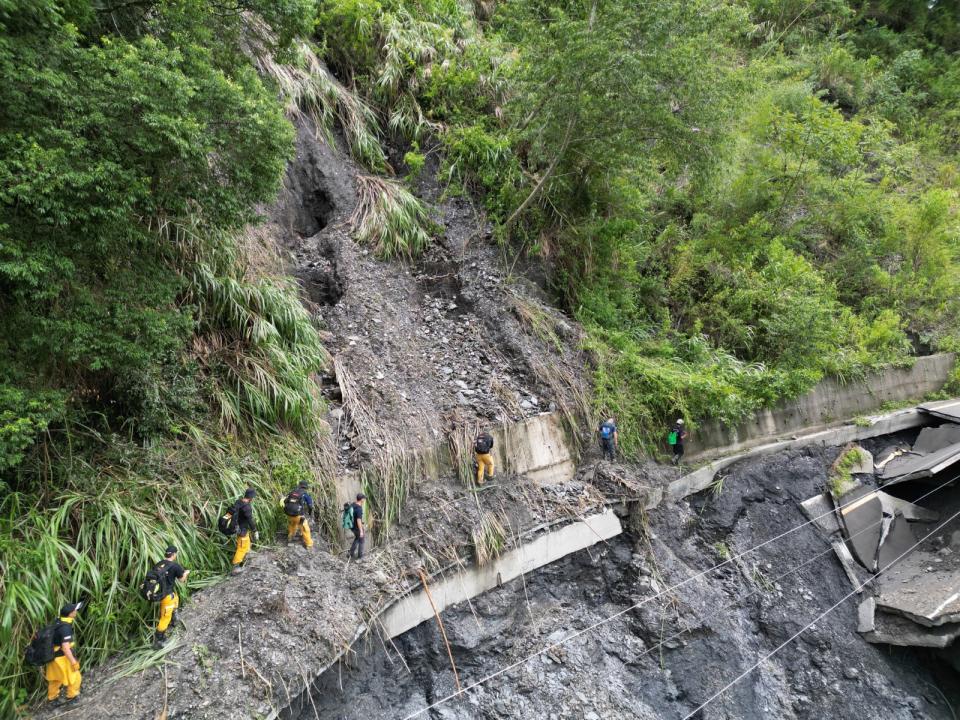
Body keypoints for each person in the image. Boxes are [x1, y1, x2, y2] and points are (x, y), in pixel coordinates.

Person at [46, 602, 82, 704]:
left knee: (55, 679)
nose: (76, 611)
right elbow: (66, 648)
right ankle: (72, 697)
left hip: (53, 657)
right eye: (75, 610)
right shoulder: (66, 628)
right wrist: (73, 662)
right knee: (75, 677)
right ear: (70, 614)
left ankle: (52, 699)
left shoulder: (58, 621)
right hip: (62, 658)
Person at [153, 546, 190, 648]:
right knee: (165, 618)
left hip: (160, 594)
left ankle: (174, 618)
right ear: (173, 554)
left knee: (176, 598)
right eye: (176, 554)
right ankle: (158, 641)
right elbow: (181, 580)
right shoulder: (175, 566)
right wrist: (186, 573)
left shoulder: (158, 564)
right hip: (166, 597)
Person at [232, 488, 258, 573]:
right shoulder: (247, 507)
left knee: (246, 544)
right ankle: (235, 567)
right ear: (251, 497)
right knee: (241, 548)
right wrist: (255, 530)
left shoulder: (238, 502)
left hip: (237, 527)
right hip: (242, 530)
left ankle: (246, 558)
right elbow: (250, 520)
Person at [284, 480, 314, 549]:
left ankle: (290, 537)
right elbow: (310, 506)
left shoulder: (292, 492)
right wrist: (309, 512)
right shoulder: (305, 494)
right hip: (299, 515)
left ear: (299, 485)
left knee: (293, 524)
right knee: (305, 528)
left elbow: (285, 501)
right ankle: (309, 545)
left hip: (289, 513)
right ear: (306, 487)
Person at [349, 493, 366, 560]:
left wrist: (361, 523)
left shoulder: (353, 504)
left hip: (352, 526)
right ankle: (360, 557)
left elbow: (354, 516)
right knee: (362, 540)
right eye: (364, 499)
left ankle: (350, 553)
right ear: (361, 499)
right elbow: (358, 520)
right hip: (356, 527)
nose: (364, 500)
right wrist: (361, 531)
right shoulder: (359, 509)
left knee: (357, 538)